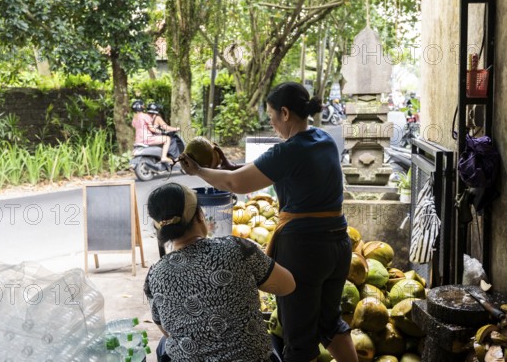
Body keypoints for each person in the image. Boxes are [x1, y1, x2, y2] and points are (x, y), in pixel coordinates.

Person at [179, 82, 358, 362]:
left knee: (298, 338)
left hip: (305, 250)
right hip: (339, 244)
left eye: (272, 115)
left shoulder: (288, 152)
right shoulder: (324, 140)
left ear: (285, 113)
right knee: (329, 323)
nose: (272, 122)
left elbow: (234, 184)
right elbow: (247, 174)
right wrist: (226, 166)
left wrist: (199, 170)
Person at [144, 183, 296, 362]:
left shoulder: (154, 276)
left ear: (159, 230)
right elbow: (288, 286)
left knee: (164, 346)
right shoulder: (237, 248)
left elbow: (168, 331)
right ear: (200, 216)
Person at [131, 100, 177, 164]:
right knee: (167, 139)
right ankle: (164, 157)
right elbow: (152, 129)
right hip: (147, 138)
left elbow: (135, 127)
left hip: (138, 140)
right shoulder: (145, 116)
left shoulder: (134, 118)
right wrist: (160, 131)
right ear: (141, 107)